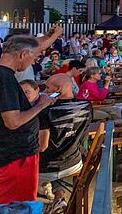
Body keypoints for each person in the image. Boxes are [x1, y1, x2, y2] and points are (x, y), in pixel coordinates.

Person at [0, 30, 61, 204]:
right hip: (14, 158)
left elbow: (33, 45)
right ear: (23, 54)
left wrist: (51, 36)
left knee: (20, 203)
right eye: (33, 58)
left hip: (14, 155)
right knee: (17, 206)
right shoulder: (2, 78)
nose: (33, 62)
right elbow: (13, 122)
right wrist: (41, 105)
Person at [37, 75, 93, 212]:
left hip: (47, 169)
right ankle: (59, 197)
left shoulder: (45, 111)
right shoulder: (86, 106)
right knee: (57, 158)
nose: (45, 91)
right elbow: (82, 138)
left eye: (48, 88)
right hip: (74, 163)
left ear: (58, 89)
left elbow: (42, 146)